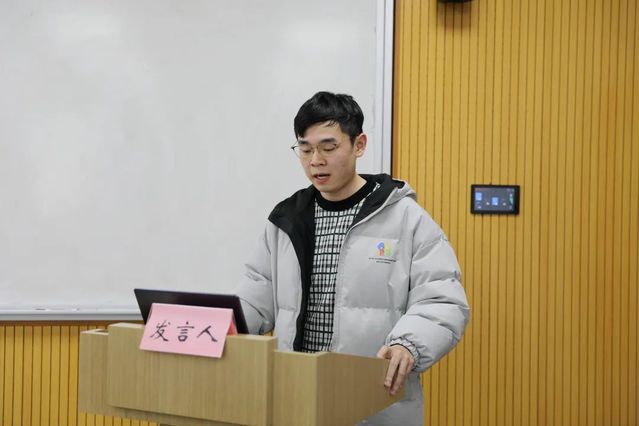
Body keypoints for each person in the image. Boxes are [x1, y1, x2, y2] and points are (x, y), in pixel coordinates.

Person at [235, 91, 470, 425]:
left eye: (328, 148)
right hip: (297, 397)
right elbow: (256, 293)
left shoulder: (405, 218)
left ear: (359, 145)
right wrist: (218, 329)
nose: (315, 160)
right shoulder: (286, 219)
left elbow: (442, 299)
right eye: (305, 149)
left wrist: (408, 344)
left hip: (372, 398)